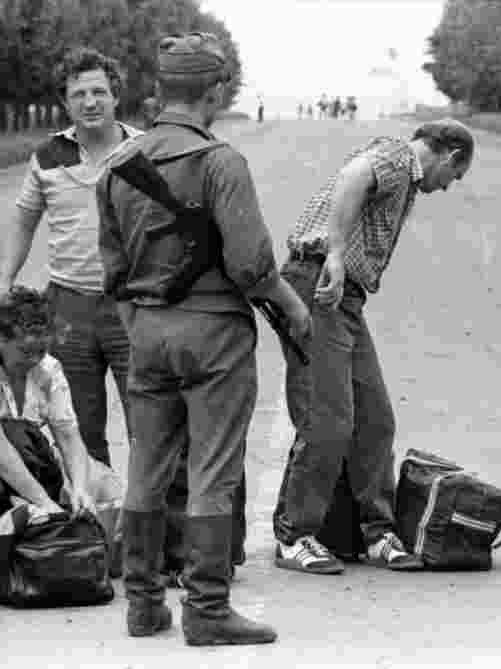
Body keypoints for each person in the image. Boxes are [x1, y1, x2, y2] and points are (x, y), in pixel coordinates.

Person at [98, 32, 310, 645]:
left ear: (161, 89)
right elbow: (253, 267)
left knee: (146, 465)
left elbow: (113, 273)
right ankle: (207, 609)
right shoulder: (220, 162)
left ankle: (143, 606)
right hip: (214, 332)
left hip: (147, 331)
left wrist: (144, 325)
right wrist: (294, 309)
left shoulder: (116, 168)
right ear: (215, 92)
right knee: (213, 469)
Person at [272, 119, 474, 575]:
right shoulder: (399, 157)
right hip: (319, 283)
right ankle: (295, 535)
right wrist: (336, 253)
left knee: (375, 419)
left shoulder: (405, 174)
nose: (448, 186)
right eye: (455, 176)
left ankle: (377, 531)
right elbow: (353, 177)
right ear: (450, 156)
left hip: (345, 297)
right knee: (328, 419)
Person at [0, 47, 142, 469]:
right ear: (65, 102)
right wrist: (5, 279)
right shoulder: (46, 156)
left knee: (148, 426)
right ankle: (93, 509)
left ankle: (148, 512)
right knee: (78, 430)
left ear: (116, 96)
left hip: (133, 306)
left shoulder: (144, 150)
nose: (90, 102)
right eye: (79, 94)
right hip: (67, 309)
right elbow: (24, 221)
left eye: (99, 92)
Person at [0, 286, 96, 517]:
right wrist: (43, 501)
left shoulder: (49, 369)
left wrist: (81, 489)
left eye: (41, 351)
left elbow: (69, 436)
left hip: (25, 465)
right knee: (16, 433)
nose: (35, 360)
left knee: (101, 487)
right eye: (25, 351)